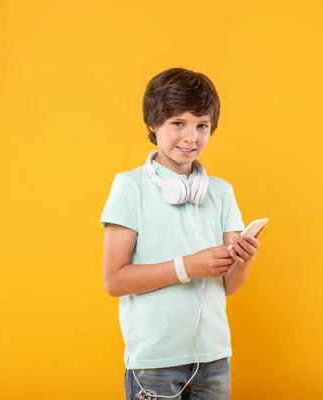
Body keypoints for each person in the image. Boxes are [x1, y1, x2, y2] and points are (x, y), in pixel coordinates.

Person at [100, 67, 262, 400]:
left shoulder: (220, 192)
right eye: (178, 123)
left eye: (202, 126)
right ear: (153, 124)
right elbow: (115, 280)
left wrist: (242, 262)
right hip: (155, 363)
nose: (191, 138)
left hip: (214, 358)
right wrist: (188, 265)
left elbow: (228, 286)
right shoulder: (130, 187)